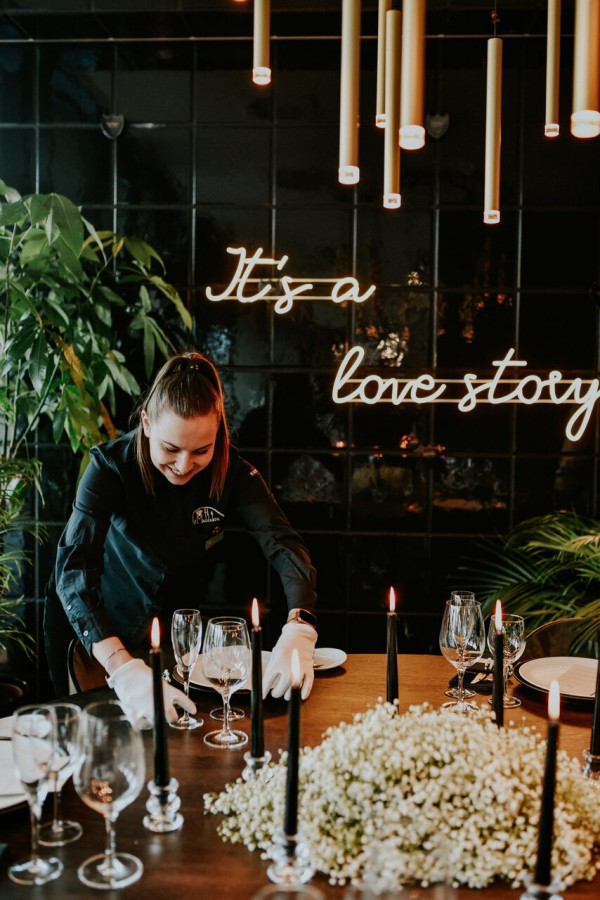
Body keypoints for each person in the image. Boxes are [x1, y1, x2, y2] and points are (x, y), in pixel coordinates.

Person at [44, 352, 318, 728]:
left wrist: (300, 624)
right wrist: (122, 668)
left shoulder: (233, 471)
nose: (184, 464)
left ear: (217, 434)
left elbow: (282, 542)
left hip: (171, 633)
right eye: (170, 449)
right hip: (94, 631)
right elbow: (73, 569)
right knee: (96, 739)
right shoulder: (109, 468)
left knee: (171, 737)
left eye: (201, 450)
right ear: (146, 423)